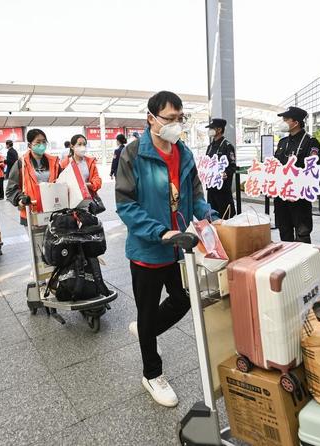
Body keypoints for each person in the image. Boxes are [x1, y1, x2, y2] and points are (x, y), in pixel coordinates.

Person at [115, 91, 217, 407]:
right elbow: (125, 205)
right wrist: (160, 232)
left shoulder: (183, 153)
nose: (175, 124)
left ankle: (146, 329)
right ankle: (152, 373)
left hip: (179, 248)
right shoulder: (133, 155)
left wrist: (208, 217)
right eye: (169, 118)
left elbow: (195, 194)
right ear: (151, 119)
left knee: (185, 298)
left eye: (179, 118)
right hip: (149, 250)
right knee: (147, 310)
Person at [274, 106, 320, 243]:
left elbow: (313, 171)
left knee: (302, 234)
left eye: (286, 119)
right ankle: (288, 262)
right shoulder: (283, 142)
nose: (283, 122)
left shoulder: (310, 142)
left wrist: (298, 191)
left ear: (296, 122)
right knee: (284, 231)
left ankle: (303, 263)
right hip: (282, 196)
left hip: (299, 198)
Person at [6, 129, 61, 225]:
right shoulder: (21, 163)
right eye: (38, 142)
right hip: (31, 211)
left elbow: (62, 183)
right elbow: (11, 189)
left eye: (44, 142)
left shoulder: (54, 162)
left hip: (53, 211)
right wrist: (20, 199)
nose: (42, 145)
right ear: (29, 145)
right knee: (36, 240)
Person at [205, 118, 237, 218]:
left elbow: (232, 167)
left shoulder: (227, 146)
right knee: (212, 216)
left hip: (222, 190)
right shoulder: (210, 146)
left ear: (219, 129)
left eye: (212, 128)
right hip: (211, 188)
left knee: (225, 216)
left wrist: (225, 173)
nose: (210, 130)